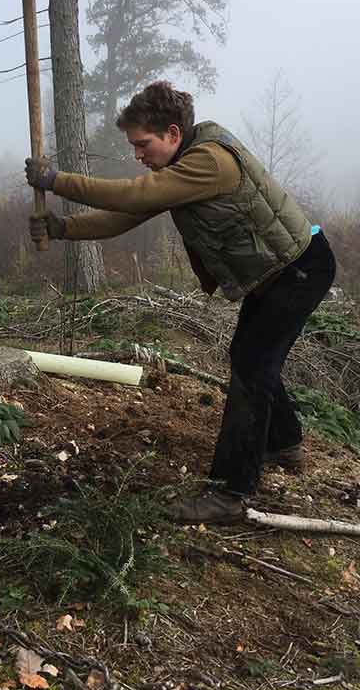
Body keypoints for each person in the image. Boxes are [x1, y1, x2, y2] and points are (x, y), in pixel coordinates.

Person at [24, 81, 336, 524]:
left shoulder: (210, 162)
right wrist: (61, 229)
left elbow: (133, 195)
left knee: (253, 365)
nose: (137, 154)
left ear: (173, 132)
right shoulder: (184, 167)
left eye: (142, 144)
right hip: (278, 273)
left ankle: (230, 494)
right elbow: (125, 215)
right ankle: (284, 442)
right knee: (250, 358)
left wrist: (55, 181)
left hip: (300, 269)